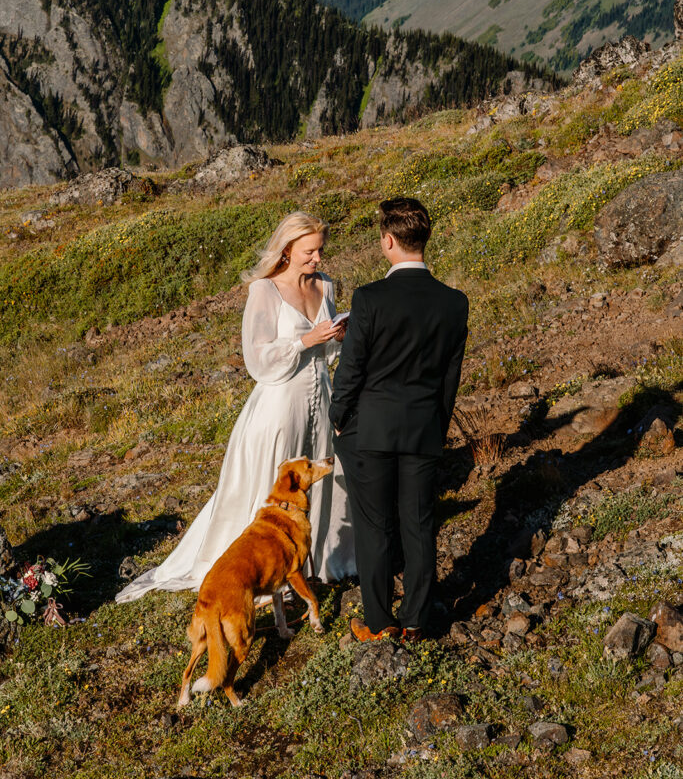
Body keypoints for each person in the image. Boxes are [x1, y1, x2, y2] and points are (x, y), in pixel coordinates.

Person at [116, 212, 356, 603]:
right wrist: (304, 341)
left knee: (316, 476)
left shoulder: (325, 285)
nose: (317, 259)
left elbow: (327, 350)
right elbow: (257, 359)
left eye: (320, 251)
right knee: (273, 483)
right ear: (288, 249)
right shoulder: (265, 291)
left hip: (320, 396)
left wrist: (335, 337)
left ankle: (307, 560)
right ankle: (258, 565)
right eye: (310, 252)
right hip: (281, 403)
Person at [330, 197, 468, 641]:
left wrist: (338, 415)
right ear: (424, 240)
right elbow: (450, 377)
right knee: (419, 523)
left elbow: (352, 368)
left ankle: (378, 622)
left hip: (369, 428)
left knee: (374, 526)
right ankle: (415, 620)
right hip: (424, 427)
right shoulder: (454, 303)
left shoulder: (369, 299)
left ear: (388, 241)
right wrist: (438, 425)